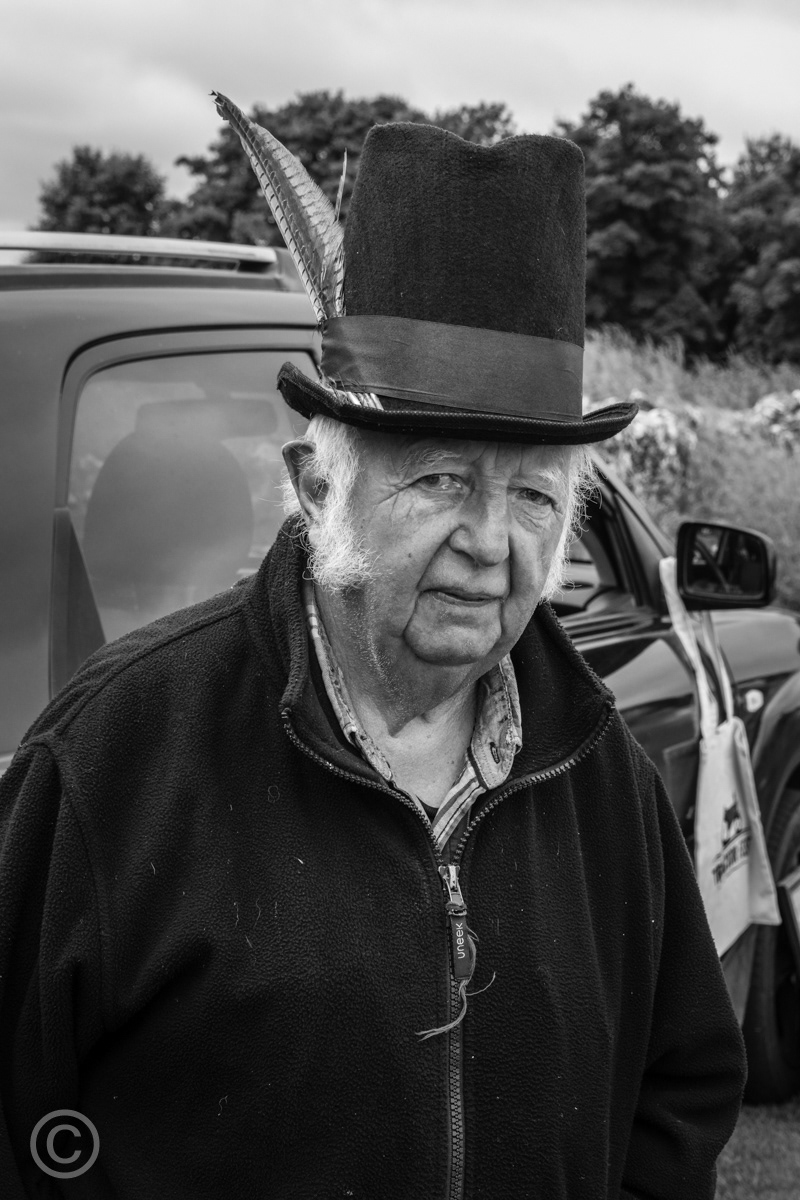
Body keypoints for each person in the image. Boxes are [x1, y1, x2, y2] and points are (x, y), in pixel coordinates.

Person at [0, 107, 745, 1200]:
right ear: (315, 489)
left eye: (533, 497)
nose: (491, 546)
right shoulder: (112, 762)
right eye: (441, 479)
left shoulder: (597, 770)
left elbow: (677, 1089)